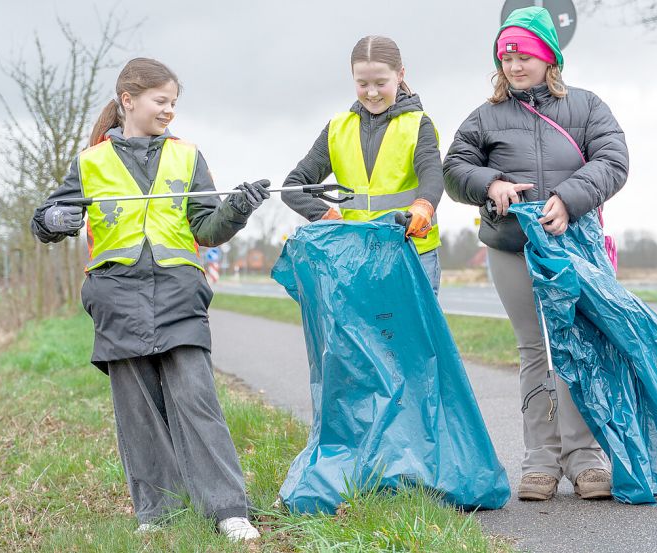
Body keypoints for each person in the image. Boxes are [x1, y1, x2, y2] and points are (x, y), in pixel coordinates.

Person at [30, 57, 270, 541]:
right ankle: (158, 515)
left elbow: (206, 228)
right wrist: (54, 221)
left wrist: (238, 208)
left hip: (179, 294)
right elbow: (48, 217)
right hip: (117, 299)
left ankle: (228, 510)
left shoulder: (188, 156)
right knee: (137, 412)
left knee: (197, 401)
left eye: (174, 104)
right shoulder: (89, 161)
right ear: (129, 100)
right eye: (162, 102)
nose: (169, 112)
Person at [443, 7, 629, 501]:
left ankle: (585, 458)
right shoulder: (484, 117)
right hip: (511, 248)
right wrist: (491, 184)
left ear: (549, 57)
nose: (514, 64)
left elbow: (613, 160)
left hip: (575, 251)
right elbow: (455, 167)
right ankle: (540, 462)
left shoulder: (588, 108)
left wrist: (569, 198)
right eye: (506, 57)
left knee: (577, 347)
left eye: (524, 54)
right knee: (534, 351)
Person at [281, 35, 444, 295]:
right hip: (355, 261)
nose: (372, 92)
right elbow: (293, 186)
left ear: (400, 75)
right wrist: (326, 216)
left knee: (411, 337)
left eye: (381, 83)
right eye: (362, 83)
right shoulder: (337, 129)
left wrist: (424, 206)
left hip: (412, 255)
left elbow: (432, 177)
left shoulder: (418, 124)